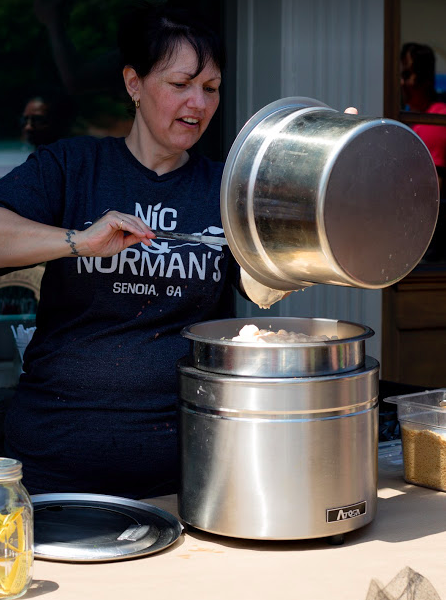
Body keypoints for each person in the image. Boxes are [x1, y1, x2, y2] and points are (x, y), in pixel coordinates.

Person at [0, 4, 357, 498]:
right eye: (181, 83)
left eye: (211, 88)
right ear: (134, 84)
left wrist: (325, 184)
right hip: (54, 464)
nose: (198, 102)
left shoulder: (228, 187)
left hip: (191, 470)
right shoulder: (73, 166)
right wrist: (79, 242)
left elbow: (261, 284)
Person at [400, 42, 446, 197]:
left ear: (426, 79)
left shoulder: (435, 121)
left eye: (407, 75)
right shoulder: (408, 116)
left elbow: (433, 190)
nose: (401, 82)